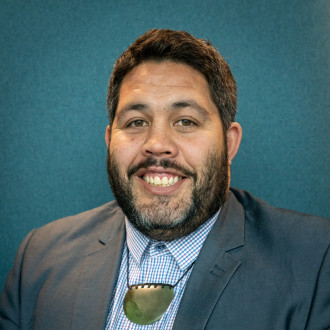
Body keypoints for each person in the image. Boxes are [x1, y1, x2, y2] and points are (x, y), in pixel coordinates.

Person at [0, 29, 329, 330]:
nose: (156, 144)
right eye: (136, 122)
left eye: (185, 121)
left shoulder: (316, 260)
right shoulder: (39, 258)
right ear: (109, 141)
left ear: (229, 143)